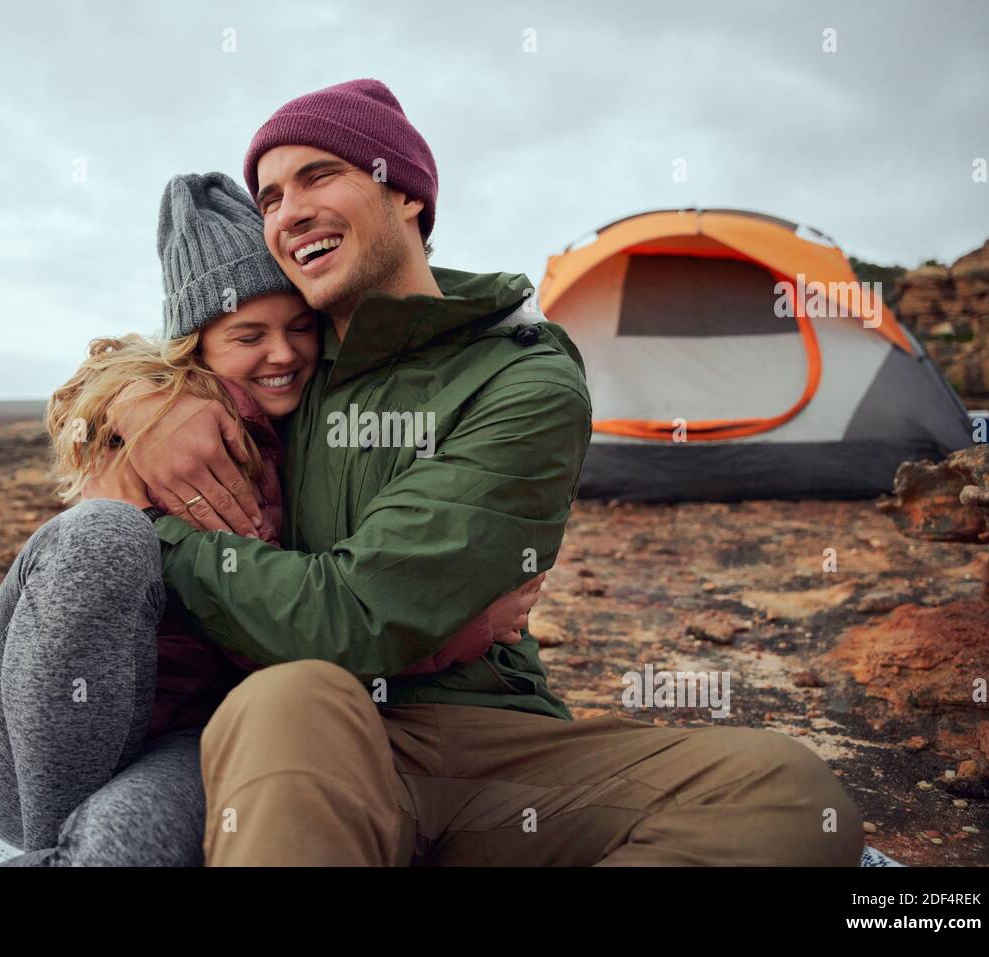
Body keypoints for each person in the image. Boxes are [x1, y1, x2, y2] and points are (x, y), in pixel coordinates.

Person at [105, 78, 867, 865]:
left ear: (404, 192)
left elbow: (358, 615)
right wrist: (133, 407)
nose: (287, 211)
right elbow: (152, 369)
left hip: (496, 744)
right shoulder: (286, 364)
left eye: (319, 175)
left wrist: (149, 532)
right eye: (269, 197)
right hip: (320, 738)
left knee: (788, 793)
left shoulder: (522, 380)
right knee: (290, 694)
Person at [0, 172, 541, 865]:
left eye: (299, 328)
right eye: (247, 334)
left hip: (193, 736)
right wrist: (449, 632)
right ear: (196, 343)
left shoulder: (316, 425)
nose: (284, 353)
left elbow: (328, 594)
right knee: (103, 536)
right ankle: (57, 834)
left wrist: (448, 591)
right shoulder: (168, 427)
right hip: (30, 756)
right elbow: (273, 619)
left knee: (126, 843)